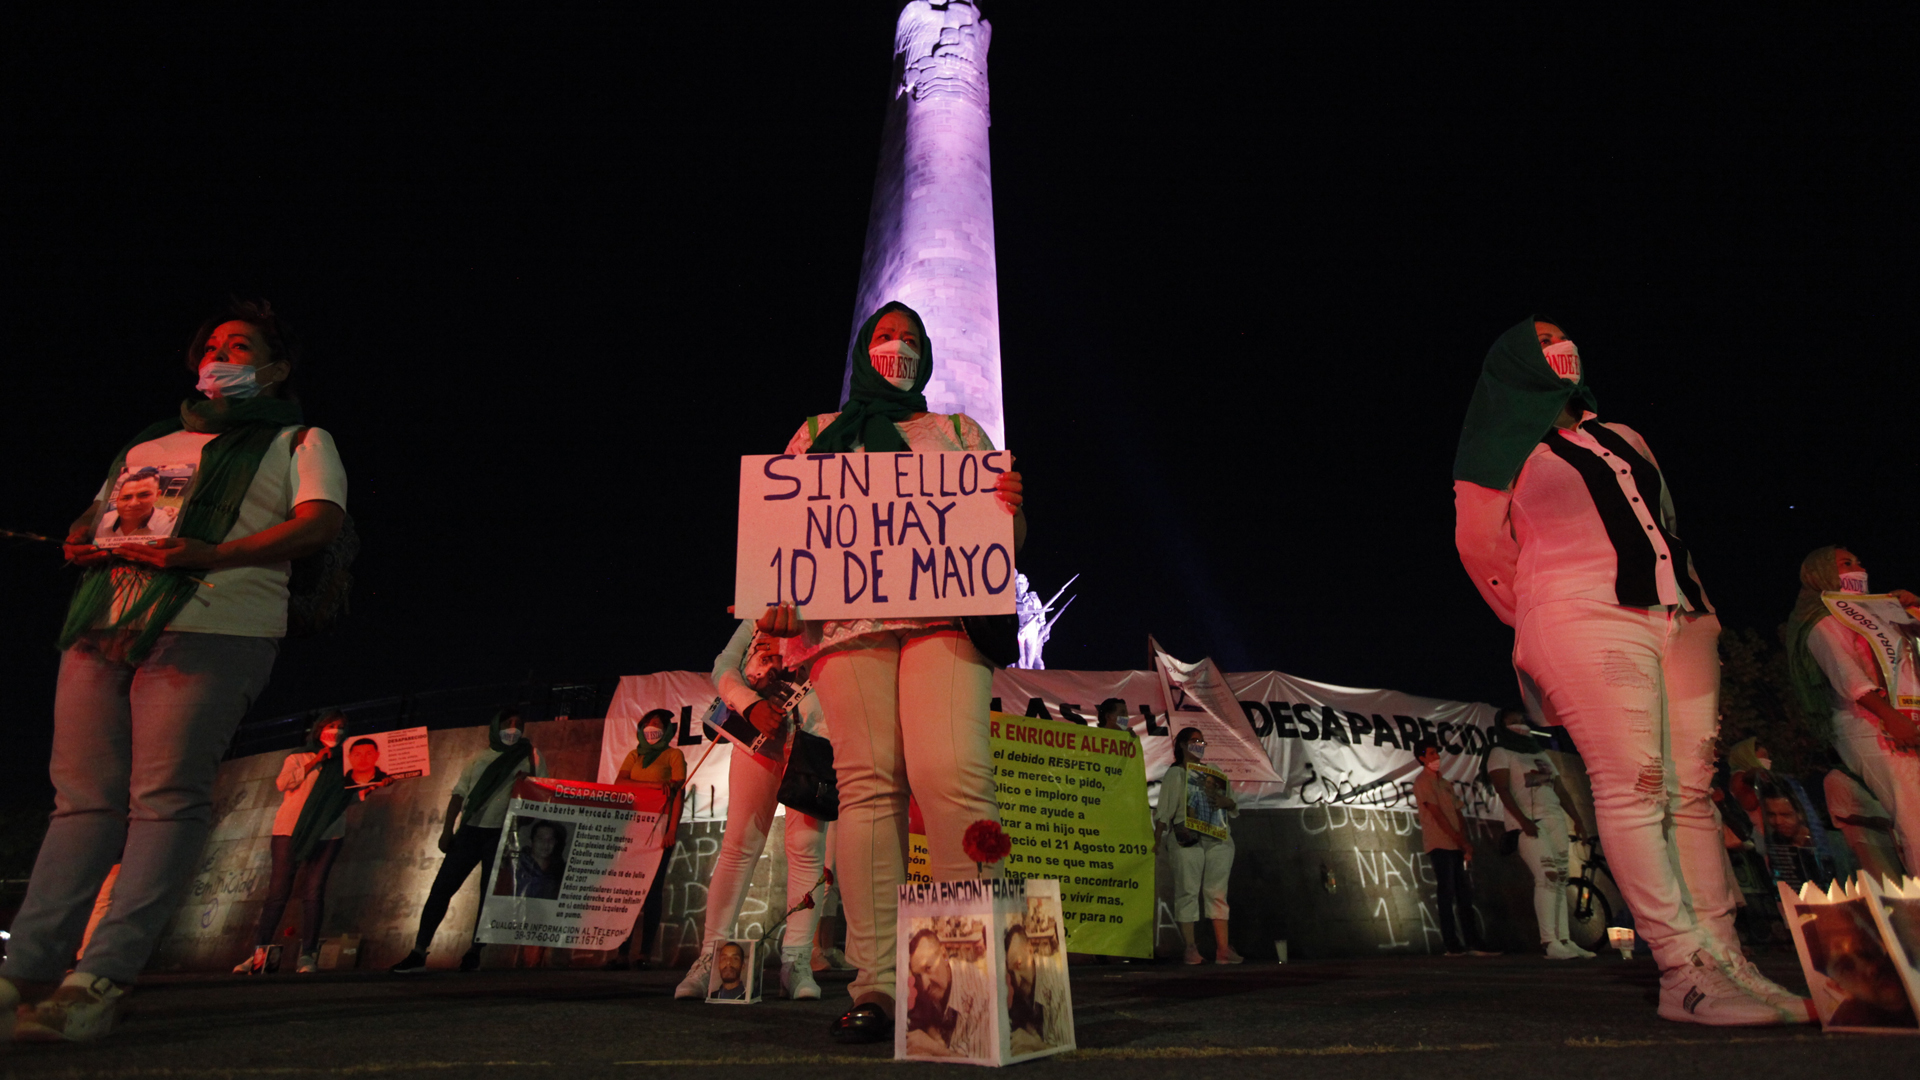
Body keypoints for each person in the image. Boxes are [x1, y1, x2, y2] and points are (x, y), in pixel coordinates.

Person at [0, 300, 346, 1043]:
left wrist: (212, 554)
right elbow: (96, 517)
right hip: (105, 621)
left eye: (241, 347)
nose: (219, 357)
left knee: (163, 798)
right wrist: (81, 540)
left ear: (276, 369)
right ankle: (23, 973)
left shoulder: (300, 439)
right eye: (212, 346)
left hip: (215, 624)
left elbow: (319, 523)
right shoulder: (148, 443)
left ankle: (100, 978)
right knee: (81, 802)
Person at [1453, 316, 1802, 1024]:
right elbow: (1481, 548)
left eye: (1565, 339)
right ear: (1515, 361)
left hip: (1680, 619)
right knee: (1636, 786)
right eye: (1544, 341)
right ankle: (1684, 969)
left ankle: (1727, 955)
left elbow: (1665, 522)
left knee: (1692, 792)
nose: (1562, 347)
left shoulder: (1625, 436)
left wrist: (1700, 604)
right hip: (1583, 616)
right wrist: (1542, 609)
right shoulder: (1499, 447)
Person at [757, 302, 1026, 1044]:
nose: (898, 348)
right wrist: (774, 599)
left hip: (947, 620)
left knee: (954, 775)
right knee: (869, 787)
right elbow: (787, 535)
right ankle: (876, 986)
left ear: (929, 353)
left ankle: (976, 982)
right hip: (847, 626)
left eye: (910, 339)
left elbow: (1002, 539)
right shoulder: (816, 435)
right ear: (862, 350)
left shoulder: (962, 433)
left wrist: (1012, 512)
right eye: (884, 336)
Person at [673, 621, 830, 1000]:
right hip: (759, 739)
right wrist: (751, 704)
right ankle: (711, 956)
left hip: (816, 739)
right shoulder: (756, 614)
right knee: (740, 846)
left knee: (807, 847)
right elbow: (724, 665)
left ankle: (796, 961)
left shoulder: (834, 603)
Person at [1784, 546, 1920, 876]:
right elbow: (1849, 677)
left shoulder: (1876, 617)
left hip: (1906, 720)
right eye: (1847, 564)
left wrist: (1913, 609)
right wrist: (1892, 718)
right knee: (1914, 816)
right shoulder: (1821, 621)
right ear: (1820, 575)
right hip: (1873, 726)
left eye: (1859, 561)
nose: (1858, 568)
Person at [235, 711, 388, 976]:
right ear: (319, 729)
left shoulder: (346, 763)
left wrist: (370, 789)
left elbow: (345, 799)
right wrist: (316, 761)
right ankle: (258, 954)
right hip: (289, 830)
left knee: (314, 892)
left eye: (341, 727)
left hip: (329, 833)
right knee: (277, 893)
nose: (336, 731)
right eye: (331, 726)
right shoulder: (299, 756)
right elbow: (284, 783)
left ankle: (307, 956)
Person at [390, 709, 542, 974]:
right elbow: (459, 795)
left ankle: (474, 952)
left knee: (488, 896)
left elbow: (542, 791)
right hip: (470, 831)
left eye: (519, 725)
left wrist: (527, 784)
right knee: (442, 889)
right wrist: (447, 830)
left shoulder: (531, 757)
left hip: (503, 833)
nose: (513, 729)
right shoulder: (479, 758)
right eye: (508, 724)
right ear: (496, 726)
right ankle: (418, 951)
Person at [1484, 708, 1592, 959]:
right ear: (1502, 726)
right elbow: (1502, 789)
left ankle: (1565, 939)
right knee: (1547, 875)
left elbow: (1560, 789)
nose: (1520, 724)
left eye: (1522, 720)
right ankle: (1549, 942)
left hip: (1554, 819)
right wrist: (1523, 821)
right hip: (1530, 822)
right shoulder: (1500, 752)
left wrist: (1577, 819)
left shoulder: (1539, 752)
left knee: (1561, 878)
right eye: (1513, 721)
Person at [1152, 727, 1243, 965]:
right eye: (1194, 741)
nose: (1199, 744)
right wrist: (1158, 839)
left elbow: (1233, 805)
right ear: (1182, 745)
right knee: (1188, 891)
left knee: (1217, 892)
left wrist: (1227, 802)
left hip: (1216, 836)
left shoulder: (1213, 771)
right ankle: (1190, 948)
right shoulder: (1176, 774)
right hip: (1187, 837)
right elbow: (1164, 811)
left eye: (1202, 741)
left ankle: (1223, 949)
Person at [607, 709, 687, 970]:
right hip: (630, 830)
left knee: (652, 892)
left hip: (659, 830)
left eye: (658, 725)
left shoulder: (674, 755)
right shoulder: (634, 755)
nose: (652, 729)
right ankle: (621, 951)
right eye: (648, 724)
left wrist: (672, 830)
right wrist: (653, 787)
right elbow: (620, 782)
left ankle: (644, 953)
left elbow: (677, 792)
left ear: (666, 731)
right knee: (625, 891)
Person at [1412, 741, 1496, 957]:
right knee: (1446, 893)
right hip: (1439, 843)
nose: (1436, 755)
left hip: (1456, 844)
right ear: (1422, 758)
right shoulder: (1423, 781)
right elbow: (1437, 814)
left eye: (1436, 752)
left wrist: (1464, 840)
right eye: (1431, 752)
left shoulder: (1445, 782)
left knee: (1464, 894)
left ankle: (1473, 941)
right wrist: (1458, 838)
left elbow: (1457, 810)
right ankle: (1452, 943)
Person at [903, 928, 993, 1058]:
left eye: (928, 968)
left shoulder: (979, 990)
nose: (925, 984)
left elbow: (981, 1066)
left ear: (944, 956)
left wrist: (936, 1050)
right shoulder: (922, 989)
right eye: (918, 975)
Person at [1825, 764, 1904, 880]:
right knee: (1885, 884)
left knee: (1898, 883)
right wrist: (1872, 821)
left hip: (1887, 838)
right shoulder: (1834, 778)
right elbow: (1839, 814)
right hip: (1866, 842)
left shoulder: (1863, 774)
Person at [98, 469, 177, 539]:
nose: (133, 503)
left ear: (157, 495)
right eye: (126, 498)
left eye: (144, 496)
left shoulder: (170, 524)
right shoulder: (102, 522)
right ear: (118, 500)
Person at [511, 821, 566, 900]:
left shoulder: (560, 873)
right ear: (531, 841)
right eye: (540, 839)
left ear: (555, 843)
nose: (545, 844)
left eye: (550, 840)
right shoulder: (515, 866)